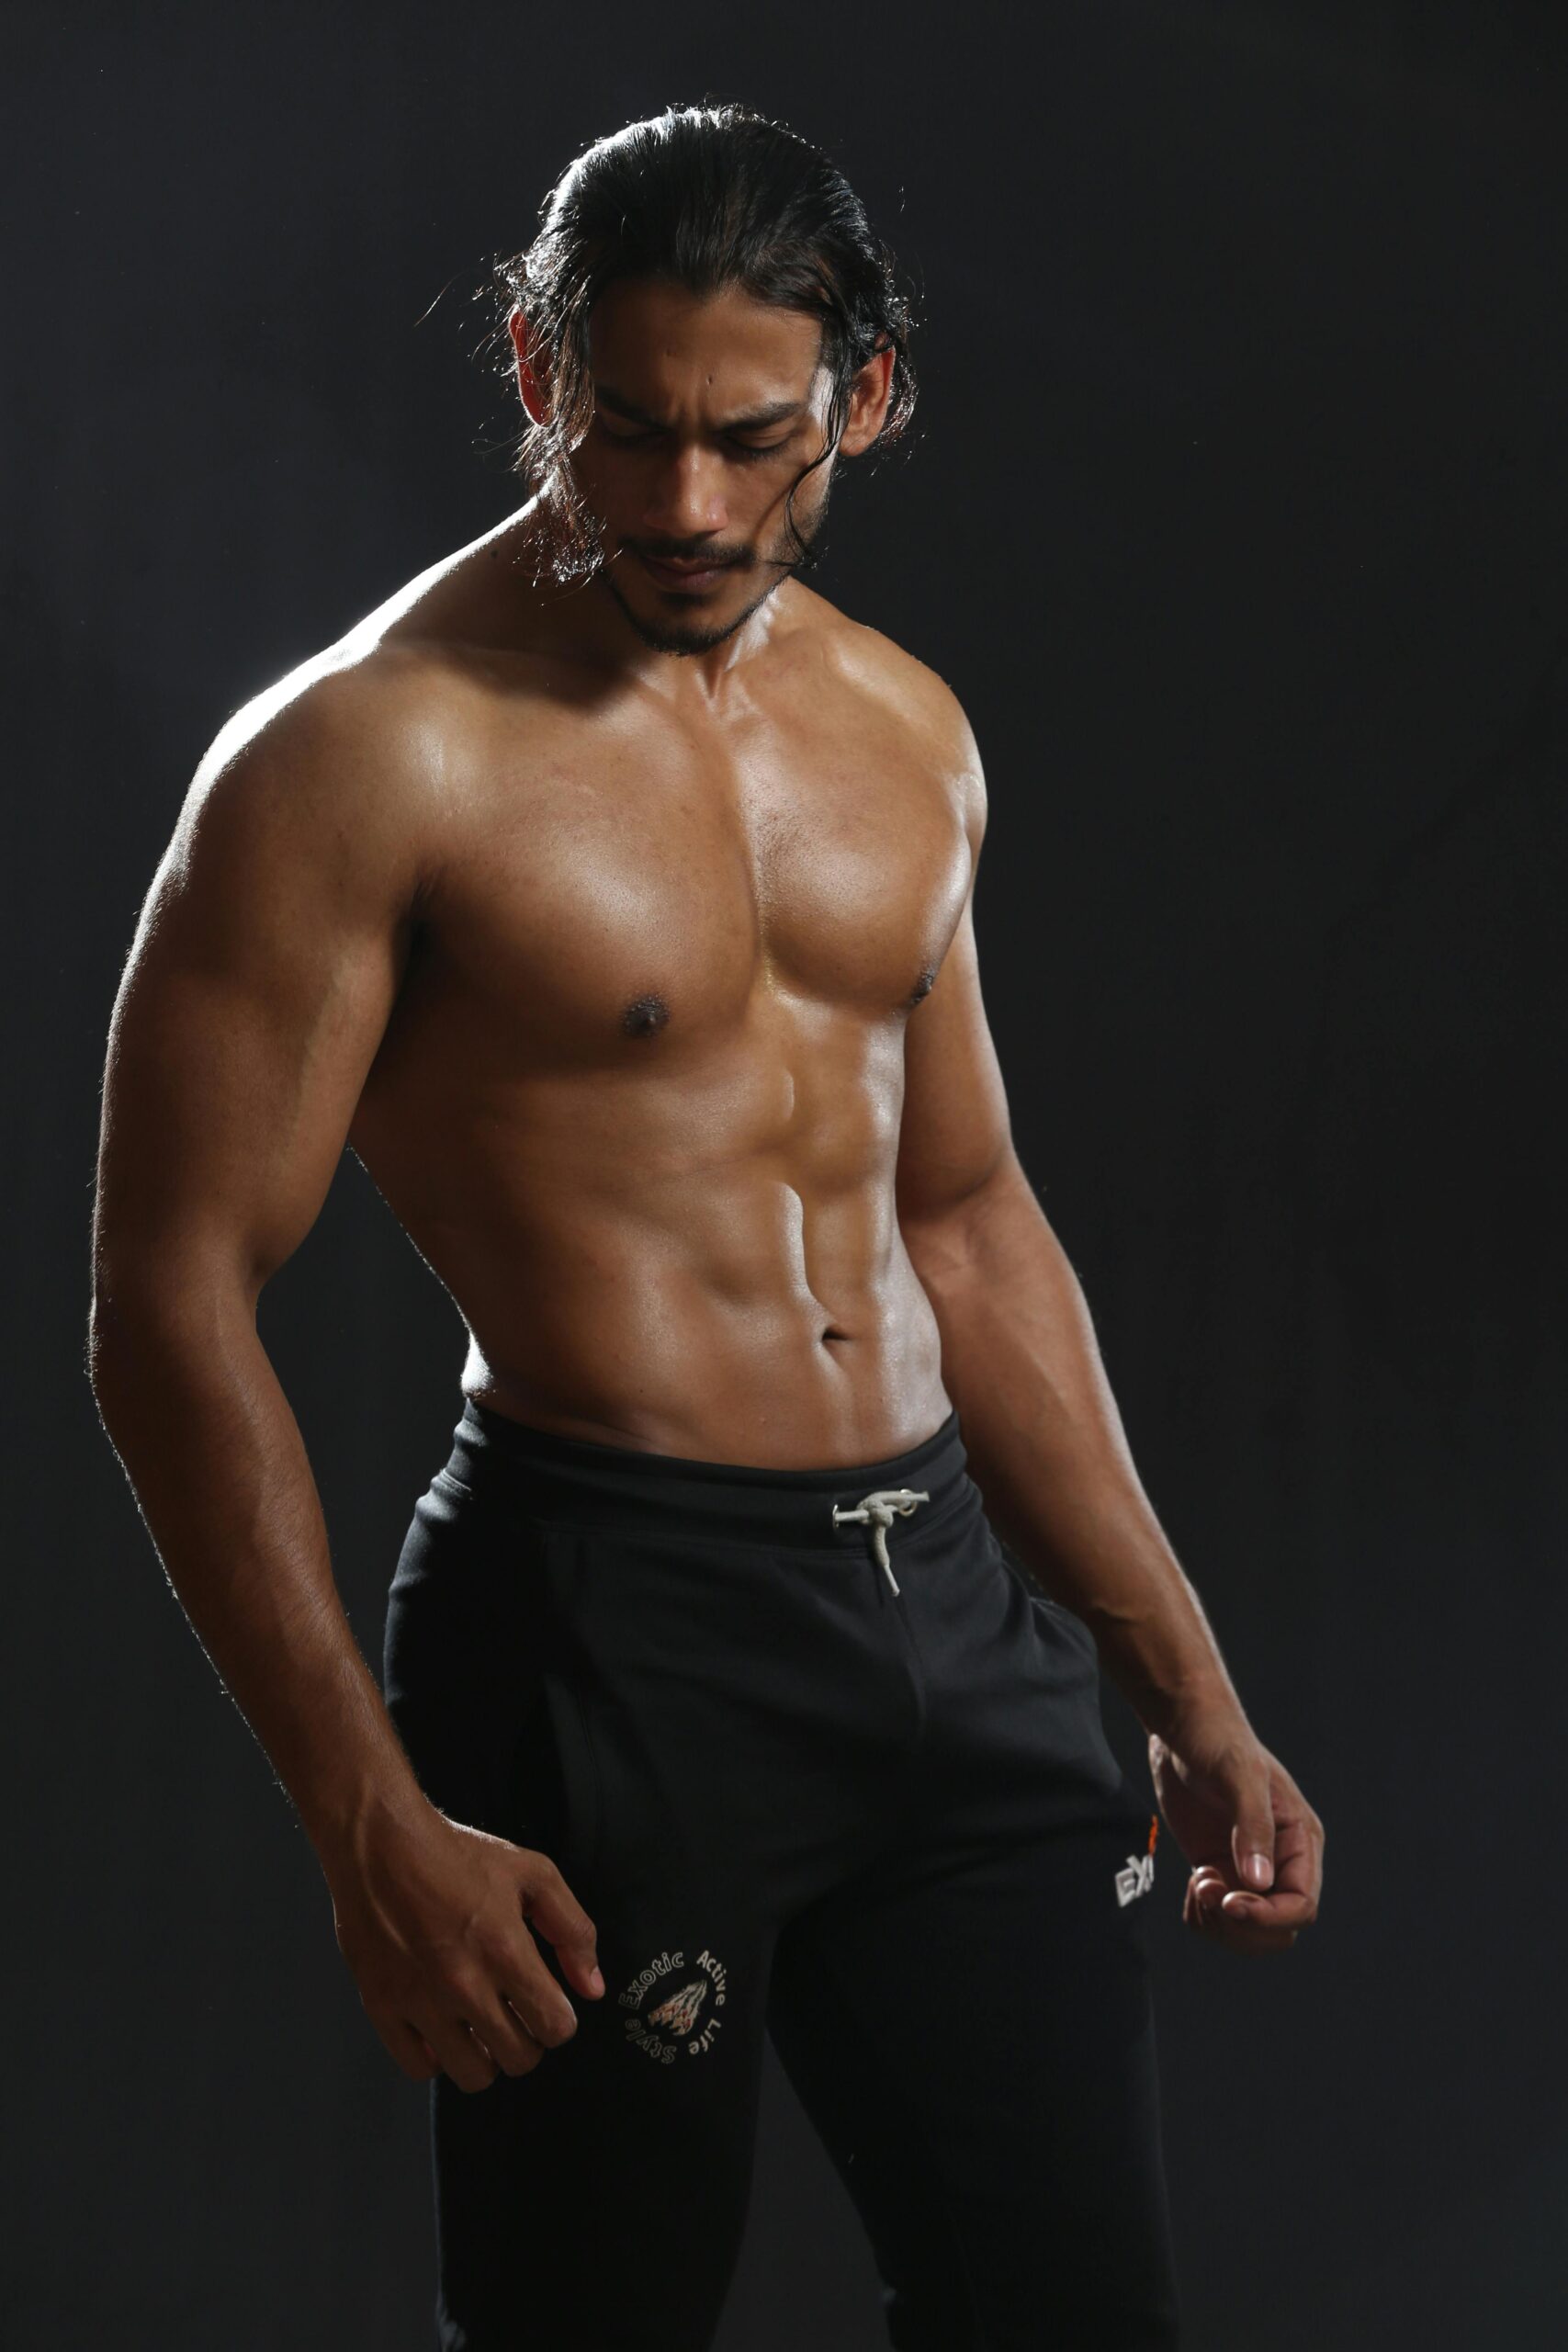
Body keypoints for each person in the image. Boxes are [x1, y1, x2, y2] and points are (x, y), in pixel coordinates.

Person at [88, 99, 1324, 2352]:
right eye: (623, 425)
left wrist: (1186, 1686)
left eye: (747, 438)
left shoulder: (904, 730)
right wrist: (365, 1813)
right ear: (536, 368)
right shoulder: (361, 758)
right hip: (608, 1628)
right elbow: (167, 1300)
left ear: (863, 394)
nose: (677, 502)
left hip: (944, 1610)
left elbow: (962, 1218)